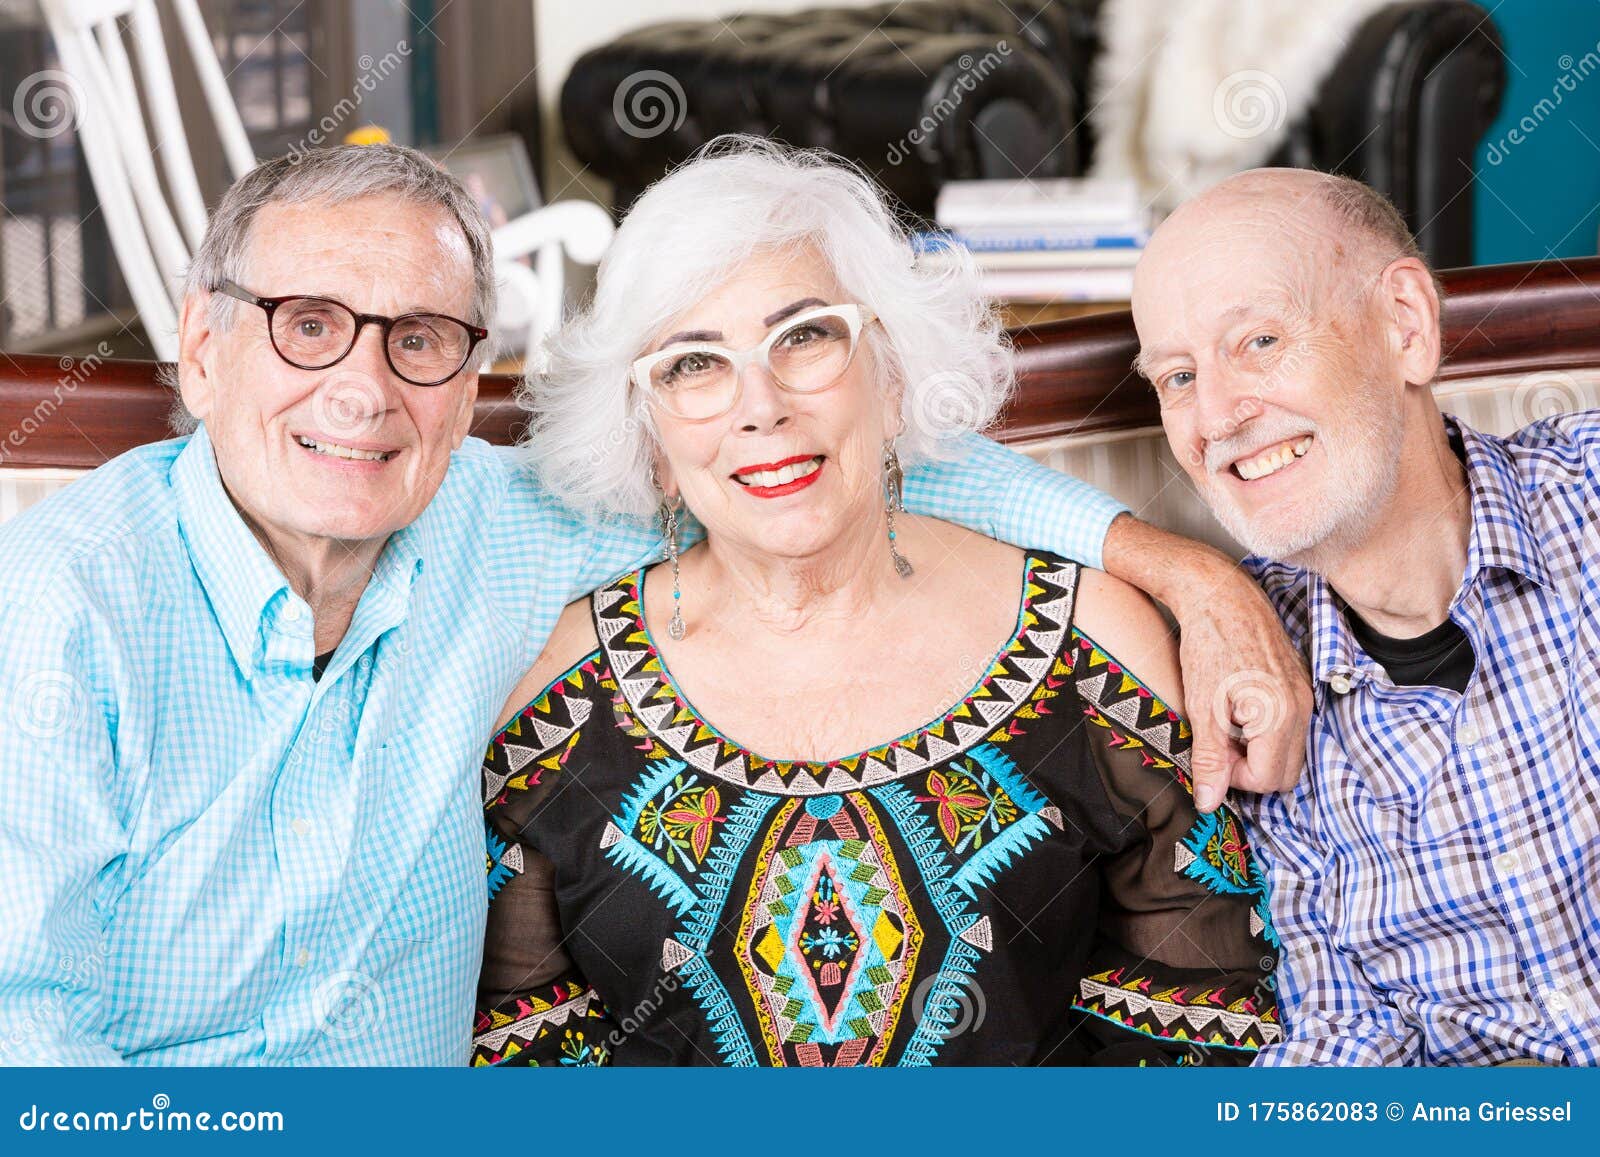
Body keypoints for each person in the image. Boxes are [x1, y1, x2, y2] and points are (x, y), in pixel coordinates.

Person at [0, 142, 1295, 1066]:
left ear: (468, 384)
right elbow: (23, 1032)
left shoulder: (488, 522)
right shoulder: (64, 606)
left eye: (421, 339)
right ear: (204, 344)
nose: (364, 390)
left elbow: (809, 471)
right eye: (307, 324)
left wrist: (1182, 565)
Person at [471, 141, 1279, 1067]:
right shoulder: (554, 698)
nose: (760, 405)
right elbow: (523, 1058)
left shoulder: (1095, 646)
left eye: (806, 336)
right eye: (694, 364)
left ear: (892, 379)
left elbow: (1203, 1036)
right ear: (651, 440)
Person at [1132, 166, 1600, 1066]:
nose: (1219, 414)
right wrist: (1195, 577)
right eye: (1179, 375)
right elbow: (1344, 1033)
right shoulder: (1253, 693)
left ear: (1406, 326)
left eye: (1260, 339)